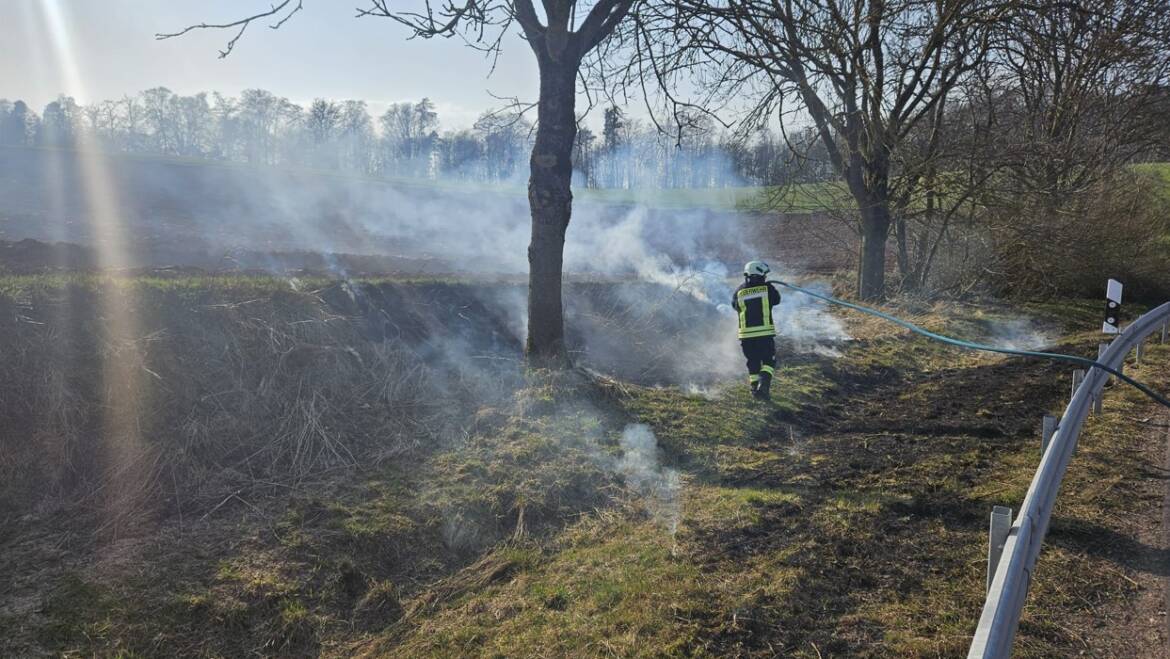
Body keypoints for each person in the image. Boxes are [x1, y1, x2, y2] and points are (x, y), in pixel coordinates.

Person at [732, 260, 781, 399]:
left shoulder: (739, 291)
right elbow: (777, 300)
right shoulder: (767, 289)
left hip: (746, 337)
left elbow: (734, 306)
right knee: (769, 361)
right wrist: (770, 287)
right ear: (760, 273)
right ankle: (763, 385)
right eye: (764, 275)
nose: (766, 277)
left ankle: (755, 390)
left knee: (753, 363)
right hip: (764, 334)